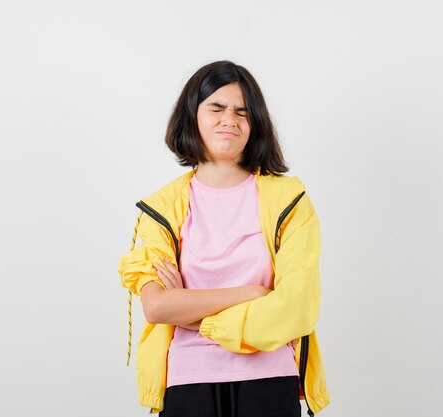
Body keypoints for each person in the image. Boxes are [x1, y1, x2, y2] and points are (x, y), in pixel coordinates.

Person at [118, 60, 330, 417]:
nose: (229, 120)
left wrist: (194, 314)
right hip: (187, 381)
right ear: (193, 116)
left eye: (242, 112)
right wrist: (252, 293)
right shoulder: (162, 209)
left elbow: (296, 307)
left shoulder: (290, 202)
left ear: (255, 124)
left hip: (270, 378)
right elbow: (157, 307)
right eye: (216, 108)